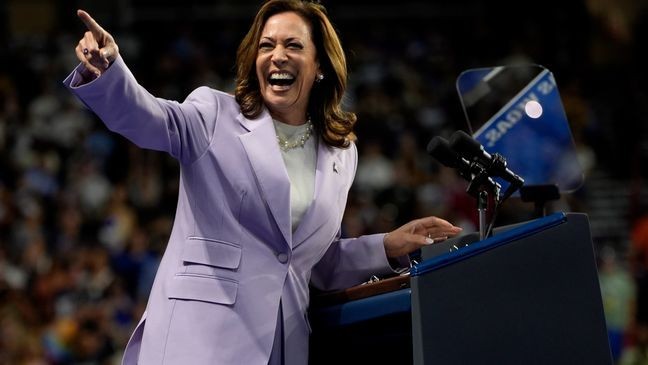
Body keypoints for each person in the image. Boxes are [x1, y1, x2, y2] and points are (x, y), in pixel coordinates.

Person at [63, 1, 463, 364]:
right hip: (201, 338)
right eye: (267, 45)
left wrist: (388, 245)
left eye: (293, 45)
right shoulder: (214, 114)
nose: (278, 56)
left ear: (320, 64)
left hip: (282, 346)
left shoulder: (341, 153)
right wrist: (110, 73)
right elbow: (150, 119)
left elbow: (310, 262)